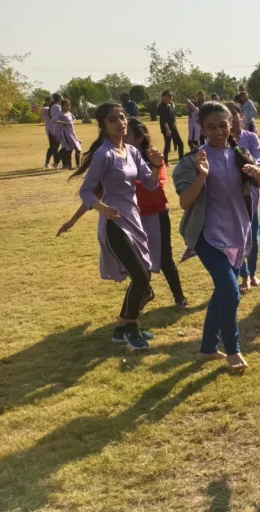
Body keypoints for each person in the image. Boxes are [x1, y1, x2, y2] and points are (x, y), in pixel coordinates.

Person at [173, 101, 260, 373]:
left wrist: (256, 173)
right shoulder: (192, 161)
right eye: (210, 127)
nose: (217, 131)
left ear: (232, 124)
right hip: (208, 237)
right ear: (201, 128)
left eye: (222, 125)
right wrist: (202, 177)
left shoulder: (241, 154)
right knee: (230, 292)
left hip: (238, 235)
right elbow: (184, 202)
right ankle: (233, 350)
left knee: (223, 292)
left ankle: (206, 349)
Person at [58, 117, 188, 309]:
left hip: (156, 214)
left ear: (140, 138)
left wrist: (154, 166)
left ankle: (179, 298)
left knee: (164, 258)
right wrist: (72, 221)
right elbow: (96, 193)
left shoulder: (148, 159)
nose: (122, 138)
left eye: (127, 136)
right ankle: (144, 293)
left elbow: (154, 185)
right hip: (131, 219)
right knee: (138, 262)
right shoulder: (115, 159)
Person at [71, 102, 165, 350]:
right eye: (113, 119)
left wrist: (156, 165)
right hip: (114, 224)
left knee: (142, 274)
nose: (120, 123)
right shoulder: (104, 154)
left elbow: (151, 184)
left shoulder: (132, 152)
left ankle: (122, 328)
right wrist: (102, 209)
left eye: (122, 117)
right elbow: (86, 190)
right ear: (103, 125)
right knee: (141, 275)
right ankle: (130, 329)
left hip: (134, 220)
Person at [224, 101, 260, 293]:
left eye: (234, 115)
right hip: (230, 199)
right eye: (227, 116)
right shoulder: (219, 142)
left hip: (250, 195)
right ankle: (244, 275)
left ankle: (253, 272)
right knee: (237, 237)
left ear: (241, 116)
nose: (231, 119)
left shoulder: (251, 138)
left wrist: (254, 169)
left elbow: (258, 160)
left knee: (253, 238)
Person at [156, 90, 183, 164]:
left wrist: (175, 126)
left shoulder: (170, 105)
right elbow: (164, 119)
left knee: (180, 144)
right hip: (167, 129)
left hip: (173, 128)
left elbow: (173, 118)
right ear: (163, 97)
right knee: (168, 145)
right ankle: (166, 161)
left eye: (171, 95)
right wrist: (167, 129)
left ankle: (181, 160)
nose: (170, 97)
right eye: (168, 95)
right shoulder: (162, 106)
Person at [55, 98, 82, 169]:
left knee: (77, 148)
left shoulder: (69, 113)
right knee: (69, 149)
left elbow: (74, 118)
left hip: (72, 133)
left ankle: (78, 165)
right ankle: (69, 166)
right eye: (66, 105)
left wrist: (72, 122)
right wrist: (62, 122)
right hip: (66, 133)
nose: (68, 107)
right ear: (62, 106)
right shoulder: (60, 113)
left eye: (69, 105)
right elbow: (54, 120)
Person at [45, 94, 63, 169]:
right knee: (53, 146)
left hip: (53, 128)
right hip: (55, 129)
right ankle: (47, 163)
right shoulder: (57, 107)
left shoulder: (55, 106)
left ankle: (55, 163)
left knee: (55, 147)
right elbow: (58, 118)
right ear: (59, 98)